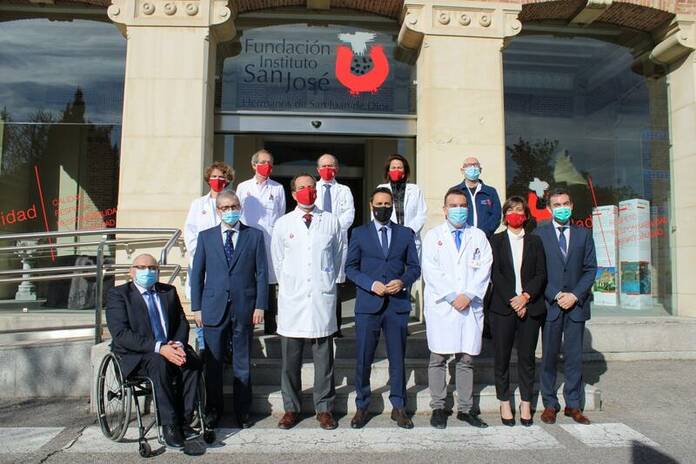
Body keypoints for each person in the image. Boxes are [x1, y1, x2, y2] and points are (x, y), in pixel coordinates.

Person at [105, 254, 201, 449]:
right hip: (137, 355)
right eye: (142, 267)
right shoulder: (119, 295)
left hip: (169, 348)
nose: (147, 271)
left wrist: (178, 344)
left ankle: (183, 421)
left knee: (191, 361)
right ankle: (169, 425)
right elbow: (121, 334)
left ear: (158, 272)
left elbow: (181, 322)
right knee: (159, 363)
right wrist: (159, 348)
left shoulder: (169, 291)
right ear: (132, 272)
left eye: (152, 268)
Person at [190, 191, 268, 429]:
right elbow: (197, 274)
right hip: (213, 308)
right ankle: (213, 410)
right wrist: (196, 307)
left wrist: (260, 305)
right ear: (218, 211)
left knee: (242, 362)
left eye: (234, 206)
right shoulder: (206, 237)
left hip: (244, 307)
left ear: (240, 207)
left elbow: (262, 273)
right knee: (213, 363)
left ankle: (243, 411)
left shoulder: (254, 236)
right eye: (225, 207)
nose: (230, 211)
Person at [271, 173, 343, 430]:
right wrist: (291, 284)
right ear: (293, 193)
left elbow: (337, 257)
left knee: (324, 360)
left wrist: (325, 281)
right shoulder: (283, 224)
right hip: (293, 299)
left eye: (311, 187)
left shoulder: (331, 221)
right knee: (290, 361)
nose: (307, 191)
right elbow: (277, 261)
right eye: (302, 188)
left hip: (321, 298)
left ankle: (324, 409)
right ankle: (291, 408)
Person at [346, 187, 421, 429]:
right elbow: (350, 268)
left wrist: (403, 281)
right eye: (379, 204)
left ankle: (399, 407)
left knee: (397, 359)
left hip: (396, 305)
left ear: (392, 206)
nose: (383, 208)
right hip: (368, 305)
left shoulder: (405, 234)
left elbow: (414, 267)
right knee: (363, 358)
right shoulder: (359, 233)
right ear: (371, 205)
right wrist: (370, 284)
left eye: (387, 204)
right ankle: (362, 405)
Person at [422, 188, 492, 430]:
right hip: (443, 305)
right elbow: (430, 269)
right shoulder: (433, 236)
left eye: (463, 205)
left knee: (466, 359)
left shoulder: (478, 236)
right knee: (438, 358)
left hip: (469, 305)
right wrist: (453, 296)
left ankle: (465, 409)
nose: (459, 209)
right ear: (444, 209)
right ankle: (438, 407)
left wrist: (469, 295)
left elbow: (485, 267)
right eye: (453, 205)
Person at [533, 187, 596, 425]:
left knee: (574, 357)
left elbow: (590, 269)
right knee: (548, 356)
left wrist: (575, 295)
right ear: (549, 209)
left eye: (565, 204)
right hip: (551, 305)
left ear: (572, 206)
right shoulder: (539, 234)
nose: (562, 208)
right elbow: (536, 271)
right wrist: (557, 294)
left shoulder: (583, 234)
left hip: (576, 306)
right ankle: (550, 404)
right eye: (557, 205)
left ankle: (573, 405)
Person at [489, 196, 547, 427]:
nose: (515, 214)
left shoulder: (536, 241)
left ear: (526, 215)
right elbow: (495, 273)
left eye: (520, 210)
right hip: (502, 308)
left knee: (527, 358)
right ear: (505, 215)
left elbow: (541, 274)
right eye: (511, 210)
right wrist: (513, 300)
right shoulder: (495, 240)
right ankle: (504, 401)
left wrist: (525, 297)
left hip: (530, 307)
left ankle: (525, 402)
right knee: (501, 357)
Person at [184, 161, 235, 354]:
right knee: (202, 304)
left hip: (227, 263)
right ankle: (204, 347)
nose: (217, 180)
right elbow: (190, 232)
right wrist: (202, 254)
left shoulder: (233, 202)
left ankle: (226, 348)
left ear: (227, 179)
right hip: (204, 262)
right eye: (214, 176)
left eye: (221, 176)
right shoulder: (198, 204)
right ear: (208, 179)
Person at [236, 149, 285, 335]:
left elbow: (280, 214)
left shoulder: (277, 188)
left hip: (269, 240)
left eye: (269, 163)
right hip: (248, 239)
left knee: (269, 281)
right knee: (249, 279)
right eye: (262, 162)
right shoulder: (243, 187)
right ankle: (248, 323)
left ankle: (270, 325)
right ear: (253, 165)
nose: (266, 166)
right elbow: (238, 212)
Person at [314, 153, 355, 338]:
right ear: (318, 169)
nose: (327, 169)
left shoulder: (344, 190)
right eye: (323, 166)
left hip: (338, 240)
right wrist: (322, 230)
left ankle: (336, 326)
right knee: (318, 282)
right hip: (317, 239)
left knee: (336, 284)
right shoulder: (313, 188)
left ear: (336, 169)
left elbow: (349, 214)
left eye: (330, 166)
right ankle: (319, 324)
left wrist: (332, 228)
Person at [376, 154, 427, 256]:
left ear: (405, 171)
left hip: (411, 238)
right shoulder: (381, 189)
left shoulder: (415, 190)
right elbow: (376, 215)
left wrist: (409, 232)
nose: (396, 170)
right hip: (389, 238)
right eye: (393, 168)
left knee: (411, 265)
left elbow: (421, 214)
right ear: (388, 171)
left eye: (399, 168)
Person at [452, 156, 501, 238]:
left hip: (485, 237)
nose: (472, 168)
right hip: (462, 237)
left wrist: (483, 233)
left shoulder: (490, 192)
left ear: (480, 170)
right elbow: (450, 214)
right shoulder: (455, 191)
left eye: (475, 165)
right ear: (462, 170)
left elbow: (496, 216)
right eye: (468, 165)